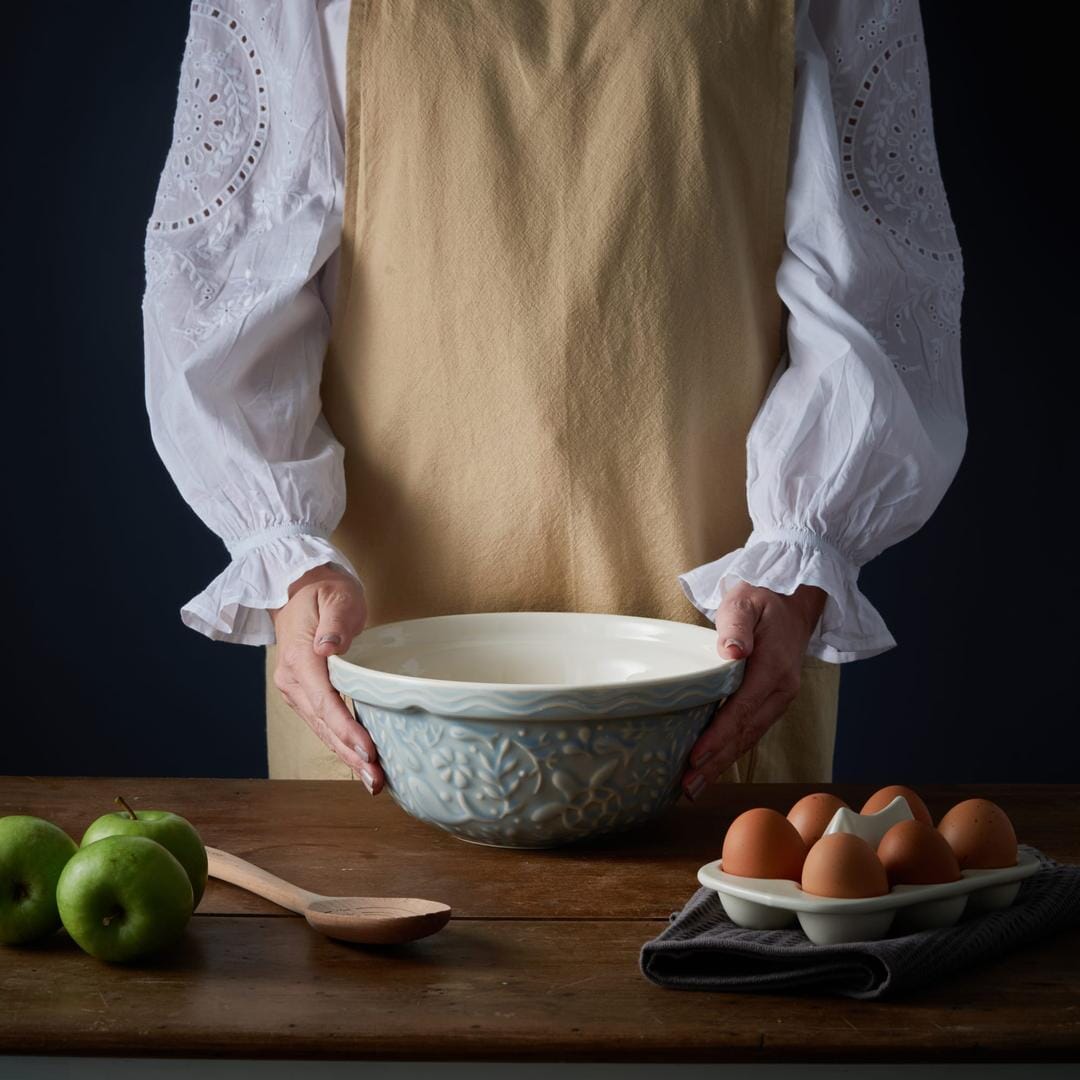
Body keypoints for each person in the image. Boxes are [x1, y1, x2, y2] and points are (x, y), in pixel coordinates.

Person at [142, 0, 965, 799]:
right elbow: (226, 286)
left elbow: (872, 292)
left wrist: (802, 558)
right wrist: (287, 561)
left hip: (721, 644)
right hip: (381, 665)